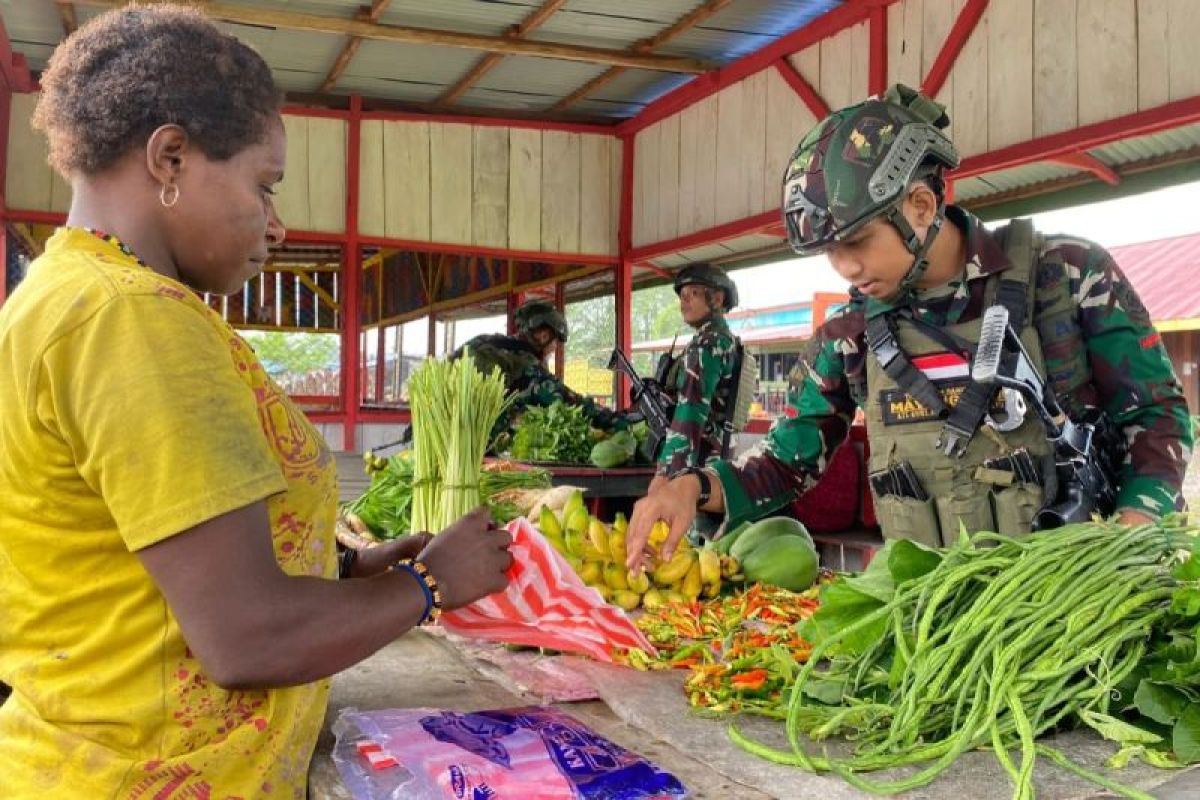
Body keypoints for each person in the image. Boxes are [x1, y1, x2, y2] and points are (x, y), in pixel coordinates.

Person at [0, 7, 512, 798]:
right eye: (262, 185)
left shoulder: (64, 297)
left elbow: (128, 554)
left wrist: (349, 569)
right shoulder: (132, 317)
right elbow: (245, 637)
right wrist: (429, 587)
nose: (276, 223)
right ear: (170, 157)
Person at [626, 84, 1193, 569]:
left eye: (856, 243)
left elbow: (1158, 417)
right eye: (829, 251)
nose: (845, 267)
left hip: (1072, 615)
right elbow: (784, 462)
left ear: (920, 205)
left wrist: (1131, 528)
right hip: (931, 624)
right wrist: (692, 487)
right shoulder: (848, 333)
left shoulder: (1065, 275)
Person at [453, 298, 630, 441]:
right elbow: (567, 401)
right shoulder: (525, 364)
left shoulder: (489, 343)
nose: (554, 348)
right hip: (472, 443)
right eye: (555, 341)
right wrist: (618, 421)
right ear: (543, 335)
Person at [651, 264, 742, 482]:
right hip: (715, 460)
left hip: (697, 465)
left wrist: (666, 475)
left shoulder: (706, 345)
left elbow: (689, 415)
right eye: (682, 296)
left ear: (717, 299)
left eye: (693, 294)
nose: (684, 302)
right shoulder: (725, 340)